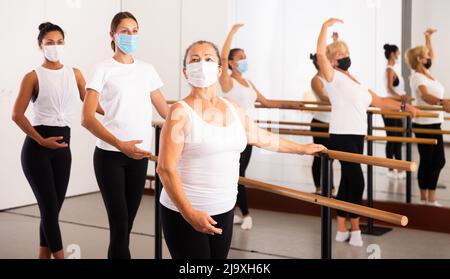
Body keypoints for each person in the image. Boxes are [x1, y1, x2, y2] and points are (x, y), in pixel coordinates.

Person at [157, 40, 326, 259]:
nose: (202, 64)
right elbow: (165, 168)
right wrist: (189, 213)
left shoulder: (232, 108)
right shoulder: (180, 112)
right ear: (185, 71)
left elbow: (261, 137)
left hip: (224, 208)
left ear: (219, 69)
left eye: (208, 59)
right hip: (186, 211)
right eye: (195, 60)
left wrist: (301, 149)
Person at [316, 18, 418, 247]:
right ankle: (355, 229)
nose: (344, 56)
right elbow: (321, 55)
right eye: (338, 55)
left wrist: (404, 108)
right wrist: (325, 28)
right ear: (332, 61)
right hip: (341, 135)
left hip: (356, 135)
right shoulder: (332, 77)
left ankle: (341, 228)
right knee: (357, 180)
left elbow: (380, 100)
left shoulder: (357, 80)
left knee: (347, 182)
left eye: (345, 52)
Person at [82, 11, 169, 259]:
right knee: (120, 226)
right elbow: (86, 118)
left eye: (134, 31)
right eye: (124, 31)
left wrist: (201, 111)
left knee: (126, 227)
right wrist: (120, 144)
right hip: (110, 156)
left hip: (139, 157)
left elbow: (166, 111)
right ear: (112, 35)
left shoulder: (147, 69)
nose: (131, 36)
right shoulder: (103, 69)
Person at [12, 22, 91, 259]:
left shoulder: (75, 73)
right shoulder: (32, 76)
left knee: (52, 212)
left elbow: (91, 104)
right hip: (37, 151)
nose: (55, 47)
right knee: (48, 210)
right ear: (40, 46)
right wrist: (40, 140)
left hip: (63, 151)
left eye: (59, 42)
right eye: (49, 43)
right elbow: (17, 115)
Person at [219, 24, 302, 230]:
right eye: (240, 57)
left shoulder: (248, 83)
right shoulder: (227, 82)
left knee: (239, 173)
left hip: (248, 133)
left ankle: (234, 212)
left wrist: (292, 105)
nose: (244, 60)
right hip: (231, 132)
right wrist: (232, 33)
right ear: (231, 62)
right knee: (237, 175)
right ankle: (245, 213)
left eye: (246, 56)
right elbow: (221, 58)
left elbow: (266, 102)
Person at [405, 28, 450, 207]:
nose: (429, 57)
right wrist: (442, 102)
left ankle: (429, 197)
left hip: (434, 122)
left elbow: (430, 53)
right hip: (423, 123)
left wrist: (428, 37)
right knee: (429, 160)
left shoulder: (428, 74)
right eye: (425, 56)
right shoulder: (417, 77)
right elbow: (424, 96)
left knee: (438, 160)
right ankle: (426, 198)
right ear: (419, 59)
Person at [383, 43, 407, 179]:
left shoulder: (394, 69)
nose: (398, 55)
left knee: (399, 138)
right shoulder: (389, 70)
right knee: (392, 138)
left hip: (398, 105)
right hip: (391, 106)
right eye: (398, 53)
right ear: (392, 54)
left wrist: (403, 101)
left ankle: (399, 167)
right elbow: (389, 88)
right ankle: (391, 168)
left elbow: (398, 90)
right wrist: (401, 98)